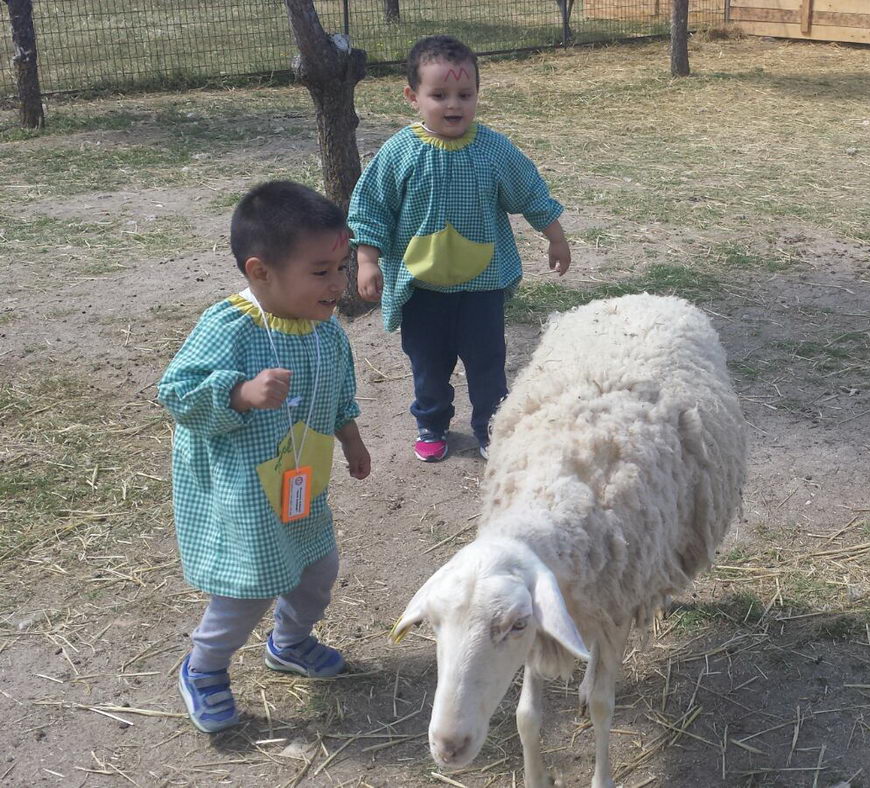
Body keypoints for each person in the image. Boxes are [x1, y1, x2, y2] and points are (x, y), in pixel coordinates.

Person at [157, 181, 371, 733]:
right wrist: (239, 392)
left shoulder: (325, 332)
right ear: (261, 272)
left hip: (301, 482)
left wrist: (350, 437)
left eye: (342, 267)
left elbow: (338, 391)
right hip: (242, 493)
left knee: (317, 569)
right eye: (321, 272)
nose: (338, 283)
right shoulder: (229, 326)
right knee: (247, 589)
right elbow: (177, 392)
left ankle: (291, 643)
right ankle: (203, 670)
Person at [350, 34, 571, 463]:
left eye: (464, 94)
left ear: (476, 95)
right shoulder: (399, 153)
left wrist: (555, 235)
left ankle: (492, 427)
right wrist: (366, 259)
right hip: (422, 288)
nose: (454, 105)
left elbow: (529, 191)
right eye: (440, 95)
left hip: (481, 286)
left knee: (488, 362)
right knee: (428, 365)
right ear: (413, 96)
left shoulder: (493, 149)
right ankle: (431, 423)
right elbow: (371, 207)